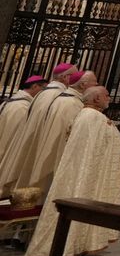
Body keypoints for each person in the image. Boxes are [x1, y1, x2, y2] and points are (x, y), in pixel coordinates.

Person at [24, 85, 120, 256]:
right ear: (96, 99)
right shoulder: (93, 117)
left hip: (80, 169)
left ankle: (78, 242)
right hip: (84, 172)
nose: (109, 98)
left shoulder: (85, 115)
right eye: (106, 95)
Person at [13, 68, 92, 196]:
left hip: (38, 137)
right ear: (65, 77)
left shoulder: (46, 92)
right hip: (52, 144)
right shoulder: (63, 97)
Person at [0, 75, 47, 198]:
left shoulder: (10, 101)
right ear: (35, 86)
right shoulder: (22, 107)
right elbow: (13, 138)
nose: (43, 93)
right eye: (43, 88)